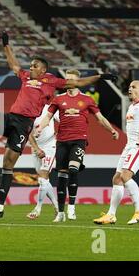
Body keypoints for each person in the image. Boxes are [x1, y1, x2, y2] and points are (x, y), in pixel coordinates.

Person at [0, 31, 118, 224]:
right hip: (11, 118)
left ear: (42, 70)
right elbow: (13, 64)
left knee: (7, 166)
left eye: (34, 65)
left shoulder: (53, 82)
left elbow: (79, 82)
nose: (30, 67)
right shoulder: (25, 76)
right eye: (31, 65)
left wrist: (102, 76)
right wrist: (6, 44)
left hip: (24, 126)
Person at [36, 69, 119, 222]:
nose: (69, 82)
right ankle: (60, 213)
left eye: (72, 79)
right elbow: (48, 116)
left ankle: (71, 208)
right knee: (61, 176)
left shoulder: (87, 99)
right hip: (61, 141)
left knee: (73, 169)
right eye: (67, 79)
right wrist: (40, 128)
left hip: (79, 140)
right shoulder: (58, 99)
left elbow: (100, 118)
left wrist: (112, 130)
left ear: (78, 82)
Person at [94, 80, 139, 225]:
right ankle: (111, 215)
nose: (130, 89)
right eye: (129, 87)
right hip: (128, 146)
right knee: (117, 179)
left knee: (125, 175)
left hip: (138, 146)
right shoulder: (132, 106)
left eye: (133, 87)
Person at [26, 104, 59, 220]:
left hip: (49, 146)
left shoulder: (50, 108)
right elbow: (27, 132)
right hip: (35, 147)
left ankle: (38, 208)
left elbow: (64, 121)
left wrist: (60, 134)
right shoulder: (28, 110)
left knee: (43, 177)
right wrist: (36, 148)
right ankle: (58, 208)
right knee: (44, 180)